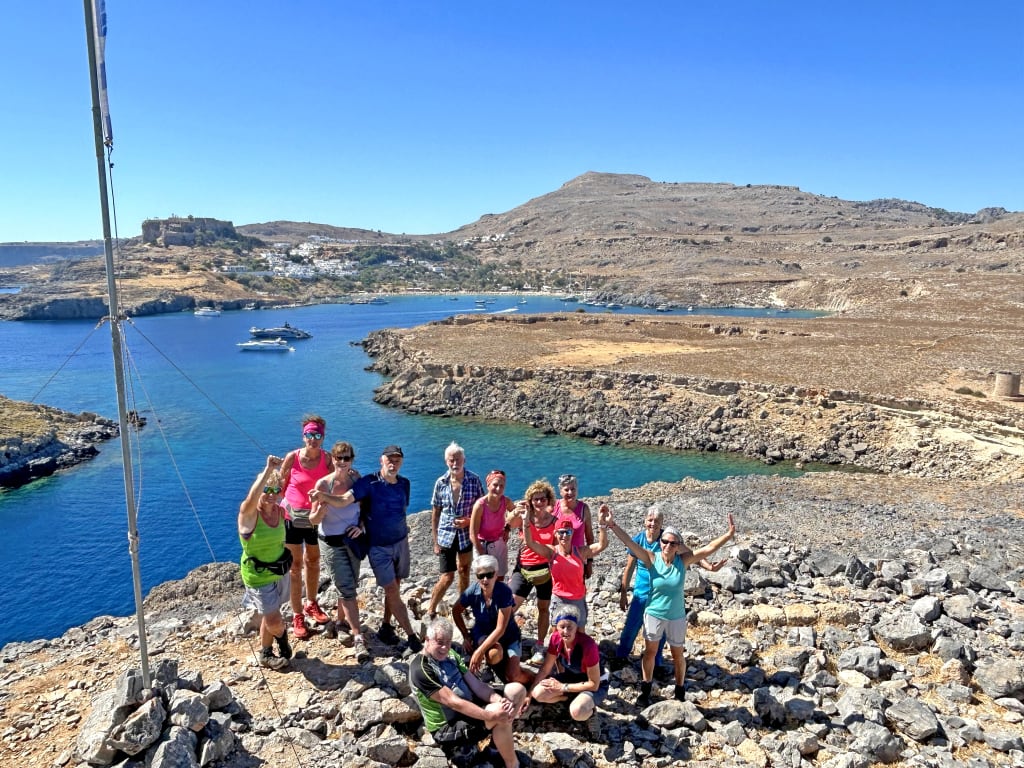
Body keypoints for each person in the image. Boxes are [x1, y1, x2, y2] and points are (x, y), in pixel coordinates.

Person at [604, 506, 736, 706]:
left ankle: (680, 689)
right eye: (664, 541)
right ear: (661, 542)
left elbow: (708, 549)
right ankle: (646, 688)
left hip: (676, 617)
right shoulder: (651, 558)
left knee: (677, 654)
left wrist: (728, 535)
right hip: (654, 613)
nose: (667, 545)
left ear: (678, 546)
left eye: (672, 543)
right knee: (649, 652)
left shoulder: (683, 561)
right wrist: (612, 525)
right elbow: (629, 542)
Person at [323, 444, 422, 652]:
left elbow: (400, 511)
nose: (393, 463)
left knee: (395, 585)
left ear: (401, 462)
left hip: (401, 542)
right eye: (389, 459)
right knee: (392, 591)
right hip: (378, 547)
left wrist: (361, 524)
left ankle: (386, 627)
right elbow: (344, 501)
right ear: (381, 460)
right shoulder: (368, 482)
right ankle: (412, 637)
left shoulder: (405, 484)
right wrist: (322, 496)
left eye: (397, 459)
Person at [614, 509, 726, 673]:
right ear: (645, 521)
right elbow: (629, 567)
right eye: (650, 520)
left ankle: (657, 663)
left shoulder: (668, 539)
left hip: (663, 594)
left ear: (661, 523)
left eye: (657, 521)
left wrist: (708, 566)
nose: (653, 524)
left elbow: (690, 554)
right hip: (642, 591)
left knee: (661, 631)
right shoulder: (639, 539)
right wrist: (624, 593)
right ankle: (621, 656)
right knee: (631, 625)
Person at [409, 618, 527, 768]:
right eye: (439, 642)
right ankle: (513, 764)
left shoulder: (450, 654)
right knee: (499, 712)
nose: (445, 648)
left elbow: (477, 685)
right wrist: (491, 716)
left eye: (448, 642)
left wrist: (499, 700)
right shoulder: (421, 669)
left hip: (469, 709)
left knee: (516, 690)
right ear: (427, 640)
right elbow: (454, 702)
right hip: (448, 726)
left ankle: (495, 749)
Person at [309, 440, 370, 663]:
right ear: (332, 459)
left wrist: (361, 525)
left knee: (349, 584)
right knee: (347, 589)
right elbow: (312, 520)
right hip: (331, 541)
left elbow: (365, 506)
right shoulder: (322, 485)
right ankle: (358, 637)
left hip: (352, 539)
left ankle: (341, 622)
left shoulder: (356, 479)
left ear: (352, 460)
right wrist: (320, 511)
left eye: (347, 458)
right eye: (339, 458)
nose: (342, 462)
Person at [279, 415, 334, 640]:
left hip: (315, 518)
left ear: (323, 437)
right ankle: (297, 615)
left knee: (313, 561)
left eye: (317, 435)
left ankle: (312, 603)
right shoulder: (292, 458)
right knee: (295, 567)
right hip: (291, 517)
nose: (313, 439)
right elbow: (279, 484)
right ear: (304, 436)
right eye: (309, 435)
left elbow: (336, 482)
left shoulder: (327, 459)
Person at [238, 456, 292, 670]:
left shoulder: (280, 511)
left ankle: (266, 652)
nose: (271, 496)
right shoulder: (249, 514)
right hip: (258, 576)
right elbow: (251, 498)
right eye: (266, 491)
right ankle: (283, 639)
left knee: (270, 615)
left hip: (279, 572)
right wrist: (268, 470)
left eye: (275, 491)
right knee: (274, 620)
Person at [520, 501, 610, 632]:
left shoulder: (580, 552)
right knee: (559, 633)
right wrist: (526, 521)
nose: (564, 536)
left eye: (568, 532)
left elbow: (602, 545)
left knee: (579, 634)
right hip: (559, 599)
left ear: (572, 533)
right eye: (561, 532)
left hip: (578, 599)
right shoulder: (551, 552)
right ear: (555, 534)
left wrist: (602, 524)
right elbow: (530, 543)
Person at [427, 442, 485, 619]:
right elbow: (435, 512)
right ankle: (431, 608)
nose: (455, 463)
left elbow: (482, 507)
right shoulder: (441, 483)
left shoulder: (474, 480)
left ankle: (462, 606)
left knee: (464, 571)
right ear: (446, 461)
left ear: (464, 460)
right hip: (446, 535)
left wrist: (469, 521)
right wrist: (435, 541)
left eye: (458, 459)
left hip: (466, 536)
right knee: (447, 576)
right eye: (451, 460)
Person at [452, 555, 531, 685]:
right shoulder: (472, 591)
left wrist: (479, 651)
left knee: (514, 676)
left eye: (489, 575)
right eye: (480, 576)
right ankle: (494, 665)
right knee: (494, 654)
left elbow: (500, 629)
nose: (485, 579)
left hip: (509, 635)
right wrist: (465, 635)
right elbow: (456, 610)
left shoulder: (504, 592)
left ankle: (534, 681)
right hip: (483, 633)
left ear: (495, 574)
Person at [506, 479, 557, 666]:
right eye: (535, 499)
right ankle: (509, 638)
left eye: (542, 499)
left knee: (543, 609)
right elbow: (509, 523)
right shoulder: (525, 517)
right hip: (524, 569)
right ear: (530, 500)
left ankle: (540, 644)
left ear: (548, 499)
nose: (539, 502)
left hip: (545, 572)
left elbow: (558, 546)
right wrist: (515, 511)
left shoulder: (554, 521)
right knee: (509, 607)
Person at [529, 603, 606, 722]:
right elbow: (545, 669)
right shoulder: (555, 638)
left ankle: (590, 714)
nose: (565, 631)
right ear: (556, 626)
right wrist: (529, 694)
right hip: (571, 677)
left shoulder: (588, 646)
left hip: (596, 683)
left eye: (570, 627)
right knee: (538, 693)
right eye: (562, 626)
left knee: (577, 711)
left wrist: (562, 687)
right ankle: (569, 700)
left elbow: (594, 684)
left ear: (576, 627)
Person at [469, 469, 516, 580]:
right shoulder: (480, 505)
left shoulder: (506, 501)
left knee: (499, 577)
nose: (498, 489)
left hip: (499, 543)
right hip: (482, 544)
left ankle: (497, 597)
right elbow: (472, 533)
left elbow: (514, 513)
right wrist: (481, 551)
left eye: (501, 486)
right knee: (485, 579)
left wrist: (507, 528)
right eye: (495, 485)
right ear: (488, 485)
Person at [552, 474, 595, 579]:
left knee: (578, 592)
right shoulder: (553, 508)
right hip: (558, 560)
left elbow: (589, 537)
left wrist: (589, 563)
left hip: (578, 560)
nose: (570, 492)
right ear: (560, 491)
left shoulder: (584, 509)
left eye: (573, 489)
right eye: (566, 490)